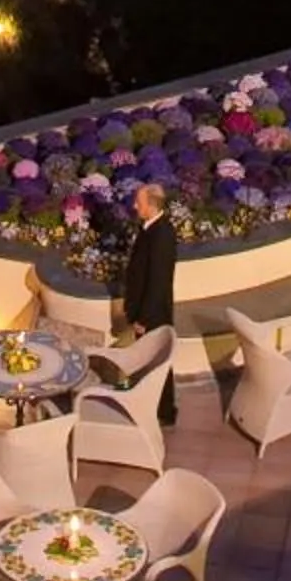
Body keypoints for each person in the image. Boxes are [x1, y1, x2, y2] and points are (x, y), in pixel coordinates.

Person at [118, 181, 179, 426]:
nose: (134, 206)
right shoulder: (149, 229)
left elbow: (158, 281)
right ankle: (156, 406)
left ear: (152, 205)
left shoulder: (162, 235)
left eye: (139, 202)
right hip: (145, 310)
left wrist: (144, 318)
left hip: (153, 314)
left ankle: (164, 411)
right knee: (151, 361)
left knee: (157, 362)